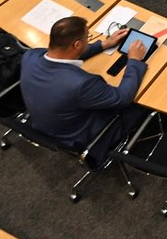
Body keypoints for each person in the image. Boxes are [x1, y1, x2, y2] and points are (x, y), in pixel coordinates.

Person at [19, 16, 144, 150]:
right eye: (87, 37)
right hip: (80, 136)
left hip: (47, 123)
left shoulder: (31, 55)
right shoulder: (83, 84)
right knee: (142, 101)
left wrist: (104, 44)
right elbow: (122, 98)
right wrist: (134, 60)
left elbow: (63, 54)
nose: (88, 39)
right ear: (77, 44)